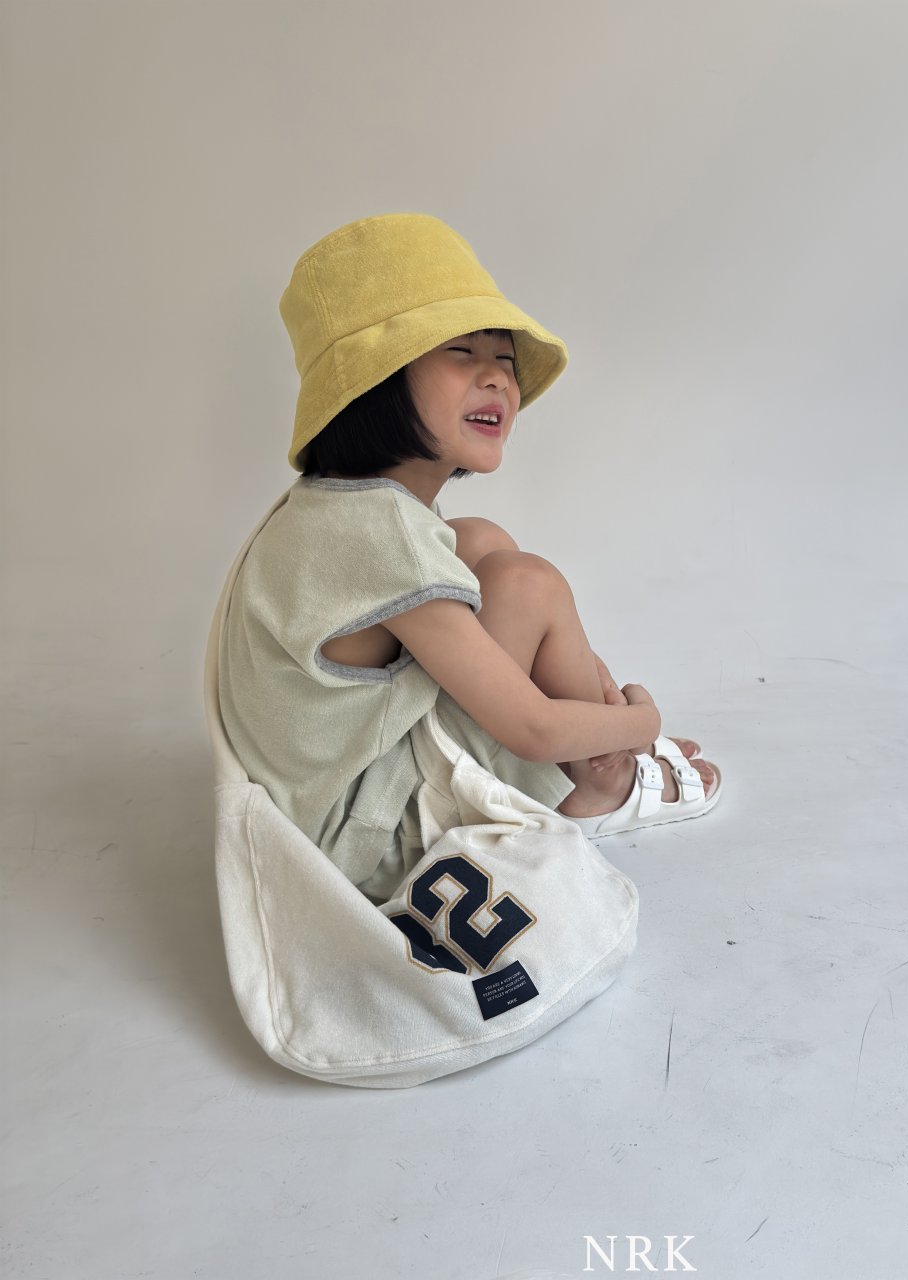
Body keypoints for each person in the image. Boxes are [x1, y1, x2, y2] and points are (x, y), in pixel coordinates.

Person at [217, 213, 721, 903]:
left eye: (505, 360)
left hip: (318, 803)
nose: (498, 380)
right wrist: (640, 721)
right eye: (461, 352)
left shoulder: (338, 508)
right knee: (528, 584)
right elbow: (533, 728)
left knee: (480, 541)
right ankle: (604, 778)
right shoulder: (382, 537)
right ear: (376, 383)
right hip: (364, 844)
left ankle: (594, 754)